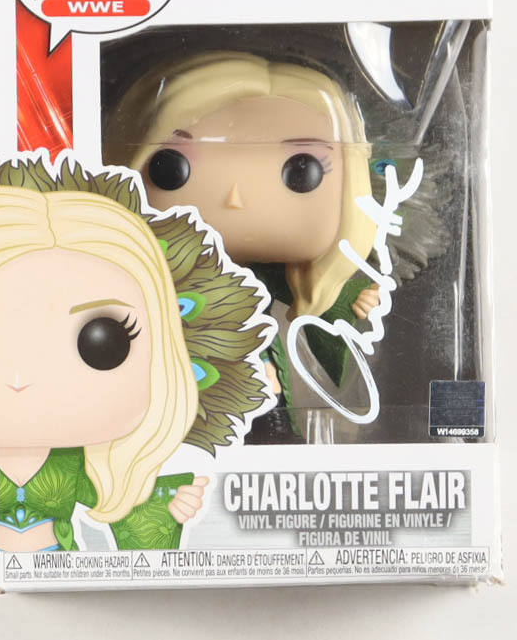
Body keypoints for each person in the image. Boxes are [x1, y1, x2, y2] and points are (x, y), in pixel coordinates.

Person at [0, 155, 273, 551]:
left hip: (55, 567)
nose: (21, 379)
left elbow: (122, 501)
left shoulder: (74, 464)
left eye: (103, 344)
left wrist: (169, 503)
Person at [103, 51, 382, 442]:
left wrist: (355, 293)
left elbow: (314, 298)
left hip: (258, 384)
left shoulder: (265, 277)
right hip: (174, 389)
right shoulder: (154, 277)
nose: (235, 196)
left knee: (267, 422)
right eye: (171, 168)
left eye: (302, 171)